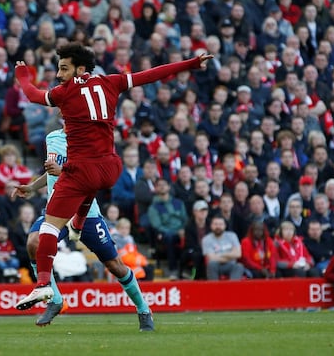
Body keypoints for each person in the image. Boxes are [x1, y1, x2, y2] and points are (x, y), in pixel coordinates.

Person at [12, 42, 212, 310]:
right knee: (86, 188)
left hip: (81, 171)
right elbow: (151, 74)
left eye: (63, 68)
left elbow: (32, 94)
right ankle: (78, 225)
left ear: (79, 69)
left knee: (48, 227)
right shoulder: (111, 82)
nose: (59, 75)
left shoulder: (65, 92)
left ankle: (43, 286)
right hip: (110, 168)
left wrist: (23, 75)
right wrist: (190, 63)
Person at [15, 128, 154, 330]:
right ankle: (55, 300)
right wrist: (32, 187)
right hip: (56, 210)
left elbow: (92, 180)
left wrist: (61, 172)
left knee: (115, 265)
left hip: (86, 213)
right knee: (34, 242)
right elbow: (51, 171)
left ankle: (143, 309)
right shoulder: (52, 137)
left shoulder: (90, 140)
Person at [202, 214, 245, 280]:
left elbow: (238, 254)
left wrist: (219, 255)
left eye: (220, 224)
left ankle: (232, 288)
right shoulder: (206, 239)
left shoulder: (232, 236)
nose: (218, 227)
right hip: (216, 265)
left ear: (225, 226)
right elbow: (211, 258)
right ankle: (213, 288)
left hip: (231, 265)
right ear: (211, 226)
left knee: (239, 266)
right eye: (215, 224)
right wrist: (230, 255)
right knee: (211, 264)